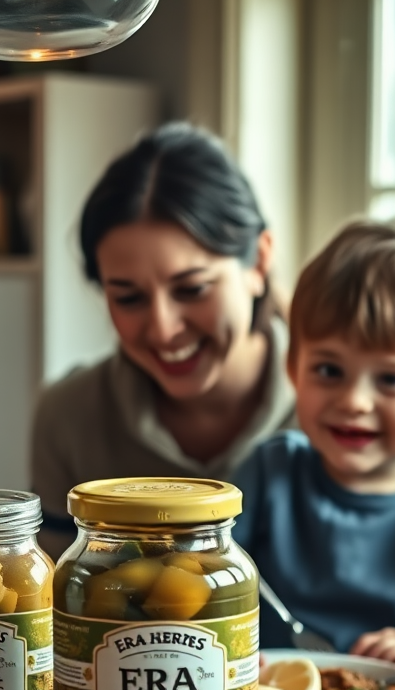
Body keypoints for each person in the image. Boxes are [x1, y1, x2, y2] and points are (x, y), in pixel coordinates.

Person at [232, 216, 395, 684]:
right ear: (294, 367)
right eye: (329, 370)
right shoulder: (268, 474)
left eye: (392, 379)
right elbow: (194, 581)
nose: (354, 401)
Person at [31, 122, 293, 559]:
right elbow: (53, 603)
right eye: (129, 298)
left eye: (192, 289)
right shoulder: (68, 415)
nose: (163, 329)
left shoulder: (365, 409)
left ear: (259, 262)